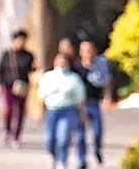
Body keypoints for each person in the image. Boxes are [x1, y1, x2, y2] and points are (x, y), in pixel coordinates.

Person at [38, 53, 86, 169]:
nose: (61, 63)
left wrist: (83, 114)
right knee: (50, 139)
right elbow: (41, 96)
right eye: (59, 60)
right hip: (52, 111)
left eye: (64, 61)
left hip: (67, 111)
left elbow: (80, 97)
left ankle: (62, 161)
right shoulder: (48, 77)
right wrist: (40, 113)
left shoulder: (73, 78)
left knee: (63, 137)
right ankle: (53, 156)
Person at [74, 40, 112, 168]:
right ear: (80, 52)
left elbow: (107, 81)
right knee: (80, 134)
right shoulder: (76, 67)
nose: (87, 53)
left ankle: (96, 149)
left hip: (94, 102)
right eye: (84, 50)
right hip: (80, 104)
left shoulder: (100, 65)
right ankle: (82, 160)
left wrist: (107, 98)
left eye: (89, 50)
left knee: (97, 131)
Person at [0, 28, 35, 148]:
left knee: (20, 111)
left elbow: (30, 69)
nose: (20, 42)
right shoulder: (7, 54)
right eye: (18, 40)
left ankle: (17, 136)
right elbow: (0, 70)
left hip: (22, 86)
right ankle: (7, 130)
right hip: (8, 84)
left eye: (22, 40)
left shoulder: (28, 55)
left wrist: (35, 67)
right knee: (8, 109)